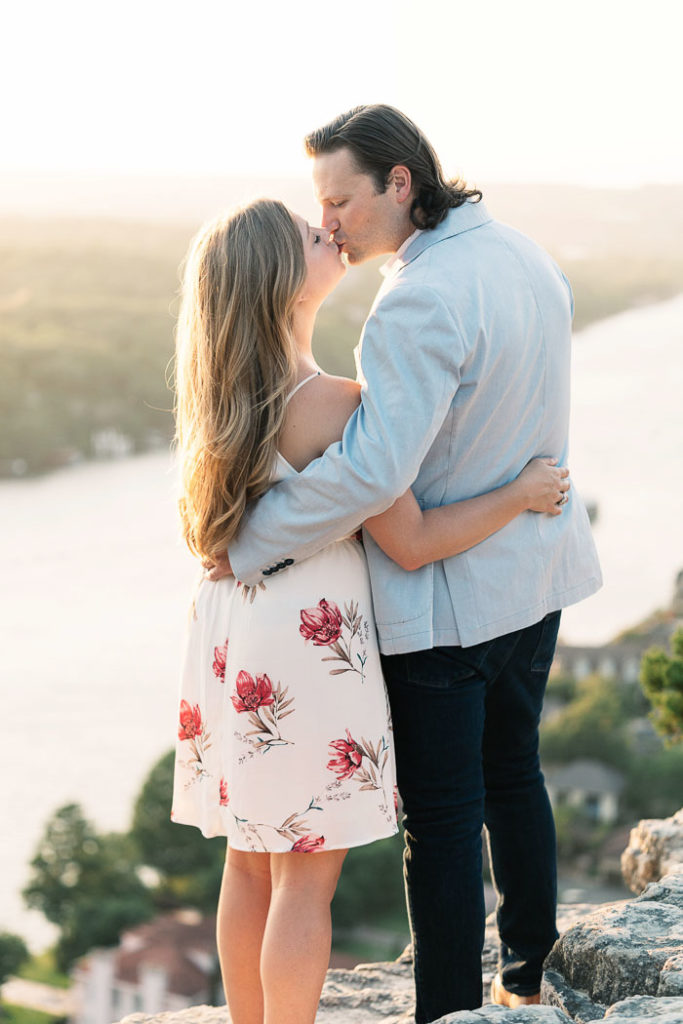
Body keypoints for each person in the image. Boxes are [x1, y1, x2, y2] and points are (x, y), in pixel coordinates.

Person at [210, 106, 603, 1022]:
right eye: (319, 205)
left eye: (339, 198)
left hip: (450, 597)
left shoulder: (412, 301)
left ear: (399, 181)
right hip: (533, 576)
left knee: (441, 817)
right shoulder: (521, 254)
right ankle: (527, 969)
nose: (331, 220)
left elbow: (373, 474)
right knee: (514, 771)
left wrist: (248, 536)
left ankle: (446, 1010)